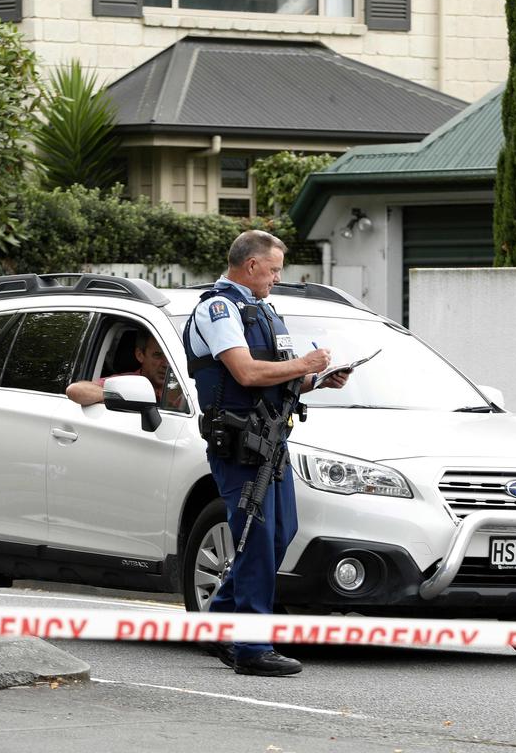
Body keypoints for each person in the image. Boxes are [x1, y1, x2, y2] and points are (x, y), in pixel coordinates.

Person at [183, 229, 349, 677]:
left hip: (271, 440)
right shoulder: (219, 309)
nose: (277, 277)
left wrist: (319, 379)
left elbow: (279, 375)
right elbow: (247, 372)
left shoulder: (263, 310)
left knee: (279, 533)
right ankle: (253, 646)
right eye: (273, 269)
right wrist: (305, 366)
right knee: (255, 538)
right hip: (239, 442)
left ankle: (220, 623)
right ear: (251, 265)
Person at [66, 331, 185, 410]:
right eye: (158, 355)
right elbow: (75, 390)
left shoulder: (187, 383)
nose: (166, 363)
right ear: (140, 355)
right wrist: (121, 395)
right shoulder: (127, 381)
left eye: (171, 356)